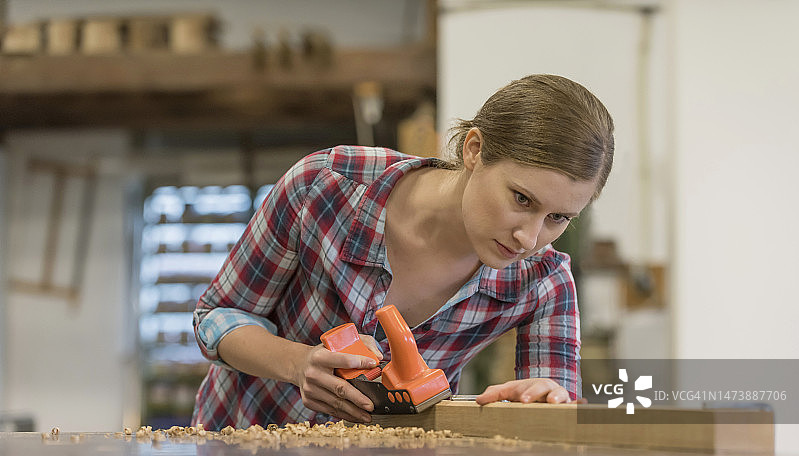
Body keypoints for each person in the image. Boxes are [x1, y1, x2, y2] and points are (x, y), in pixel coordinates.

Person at [191, 74, 614, 430]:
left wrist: (542, 403)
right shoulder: (325, 185)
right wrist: (298, 364)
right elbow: (216, 316)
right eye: (521, 199)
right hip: (243, 450)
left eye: (558, 218)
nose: (529, 237)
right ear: (474, 149)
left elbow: (557, 418)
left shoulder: (544, 280)